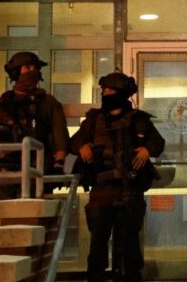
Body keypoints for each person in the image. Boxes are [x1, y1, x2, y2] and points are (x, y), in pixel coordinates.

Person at [70, 72, 164, 282]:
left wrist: (147, 149)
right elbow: (74, 141)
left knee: (130, 242)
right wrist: (82, 146)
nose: (105, 94)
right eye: (104, 91)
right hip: (102, 190)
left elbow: (159, 143)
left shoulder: (139, 119)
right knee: (98, 242)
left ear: (122, 93)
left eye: (110, 91)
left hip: (130, 189)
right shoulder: (94, 119)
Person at [0, 51, 69, 199]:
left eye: (35, 68)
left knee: (32, 214)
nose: (32, 71)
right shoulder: (0, 104)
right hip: (5, 171)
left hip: (36, 168)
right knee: (3, 213)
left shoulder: (47, 103)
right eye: (27, 68)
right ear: (16, 72)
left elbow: (61, 139)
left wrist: (58, 164)